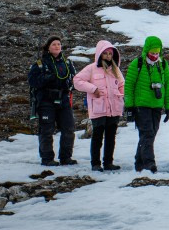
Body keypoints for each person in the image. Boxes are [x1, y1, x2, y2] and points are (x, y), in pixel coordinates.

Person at [73, 40, 124, 172]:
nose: (108, 56)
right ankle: (95, 163)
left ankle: (108, 162)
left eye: (110, 54)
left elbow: (122, 84)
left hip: (114, 108)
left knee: (111, 136)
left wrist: (122, 95)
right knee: (97, 136)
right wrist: (93, 89)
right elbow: (77, 81)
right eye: (105, 53)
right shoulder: (91, 68)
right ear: (99, 54)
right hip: (98, 108)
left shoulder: (115, 69)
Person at [124, 35, 169, 174]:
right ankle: (149, 164)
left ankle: (139, 162)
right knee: (147, 133)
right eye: (152, 53)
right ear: (146, 51)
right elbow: (129, 86)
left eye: (157, 53)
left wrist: (168, 106)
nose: (155, 55)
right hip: (141, 105)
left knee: (151, 134)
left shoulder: (163, 64)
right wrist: (129, 106)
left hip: (156, 105)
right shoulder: (137, 64)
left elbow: (167, 86)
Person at [28, 35, 78, 166]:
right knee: (46, 130)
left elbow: (75, 79)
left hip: (64, 99)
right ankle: (47, 158)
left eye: (59, 44)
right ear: (48, 48)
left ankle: (66, 157)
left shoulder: (67, 63)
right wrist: (46, 79)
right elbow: (32, 81)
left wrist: (71, 85)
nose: (57, 46)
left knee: (69, 128)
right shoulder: (40, 64)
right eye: (54, 44)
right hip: (46, 100)